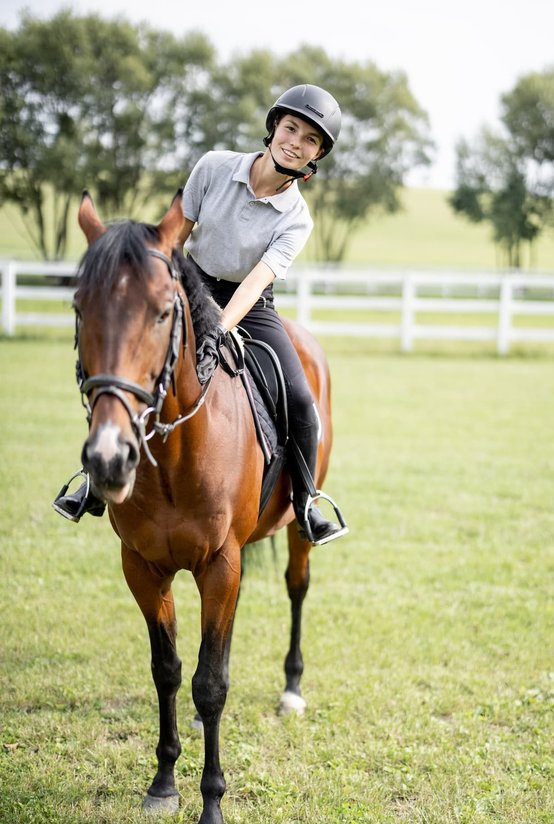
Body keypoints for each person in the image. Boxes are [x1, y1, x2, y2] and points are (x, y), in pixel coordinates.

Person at [54, 84, 347, 546]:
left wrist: (220, 328)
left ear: (318, 154)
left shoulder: (298, 218)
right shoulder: (213, 167)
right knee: (127, 364)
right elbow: (174, 239)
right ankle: (95, 477)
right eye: (291, 128)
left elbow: (256, 281)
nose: (296, 142)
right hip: (191, 284)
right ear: (274, 128)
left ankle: (307, 502)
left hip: (249, 306)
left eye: (311, 139)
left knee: (301, 399)